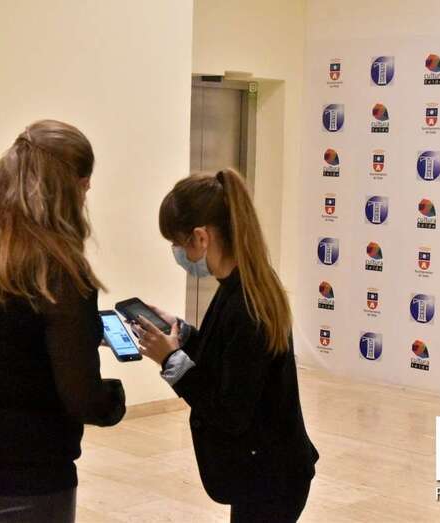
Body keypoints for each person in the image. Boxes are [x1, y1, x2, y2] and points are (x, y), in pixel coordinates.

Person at [0, 119, 125, 523]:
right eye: (84, 186)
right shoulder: (58, 268)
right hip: (22, 467)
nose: (85, 197)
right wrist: (113, 400)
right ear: (68, 188)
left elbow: (1, 341)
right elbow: (81, 396)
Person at [133, 168, 318, 522]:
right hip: (263, 470)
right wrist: (183, 334)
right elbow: (228, 357)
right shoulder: (236, 286)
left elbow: (229, 410)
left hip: (272, 476)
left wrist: (171, 360)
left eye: (177, 243)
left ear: (201, 238)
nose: (177, 253)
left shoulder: (248, 303)